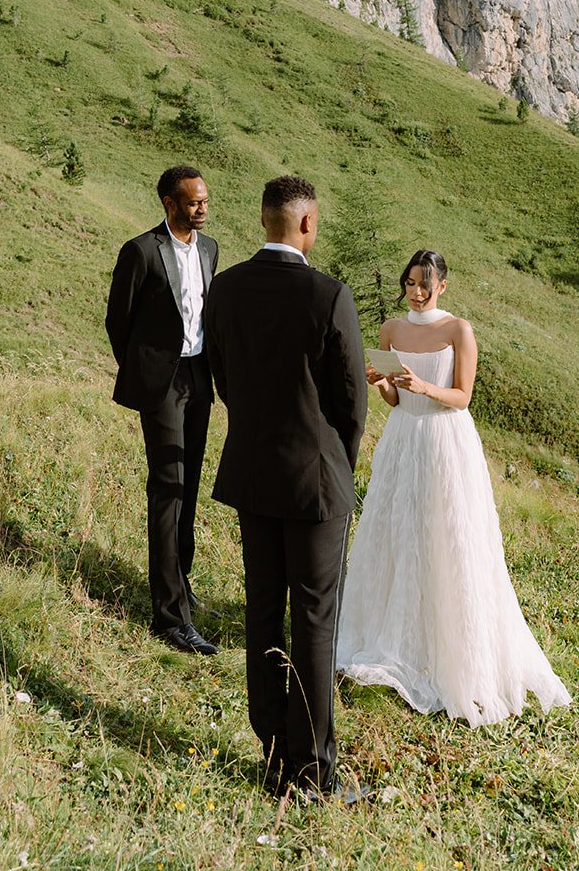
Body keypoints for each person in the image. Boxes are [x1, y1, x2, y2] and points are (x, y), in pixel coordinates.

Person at [336, 249, 571, 726]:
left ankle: (450, 645)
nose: (416, 293)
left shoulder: (459, 330)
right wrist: (381, 382)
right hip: (405, 437)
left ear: (442, 285)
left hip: (446, 439)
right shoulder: (391, 328)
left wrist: (425, 388)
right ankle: (395, 636)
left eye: (425, 284)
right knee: (398, 534)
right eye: (410, 283)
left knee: (449, 537)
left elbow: (462, 396)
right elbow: (394, 397)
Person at [205, 176, 368, 799]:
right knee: (315, 619)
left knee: (262, 612)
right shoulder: (328, 295)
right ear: (306, 223)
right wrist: (338, 463)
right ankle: (314, 772)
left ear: (265, 220)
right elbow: (351, 402)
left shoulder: (226, 288)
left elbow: (222, 376)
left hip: (253, 472)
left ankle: (273, 752)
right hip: (316, 481)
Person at [106, 165, 219, 655]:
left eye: (205, 200)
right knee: (168, 488)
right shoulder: (141, 251)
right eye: (193, 201)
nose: (202, 208)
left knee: (189, 484)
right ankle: (169, 618)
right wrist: (148, 374)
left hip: (200, 378)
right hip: (164, 384)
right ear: (169, 204)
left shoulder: (210, 249)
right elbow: (118, 320)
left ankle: (181, 585)